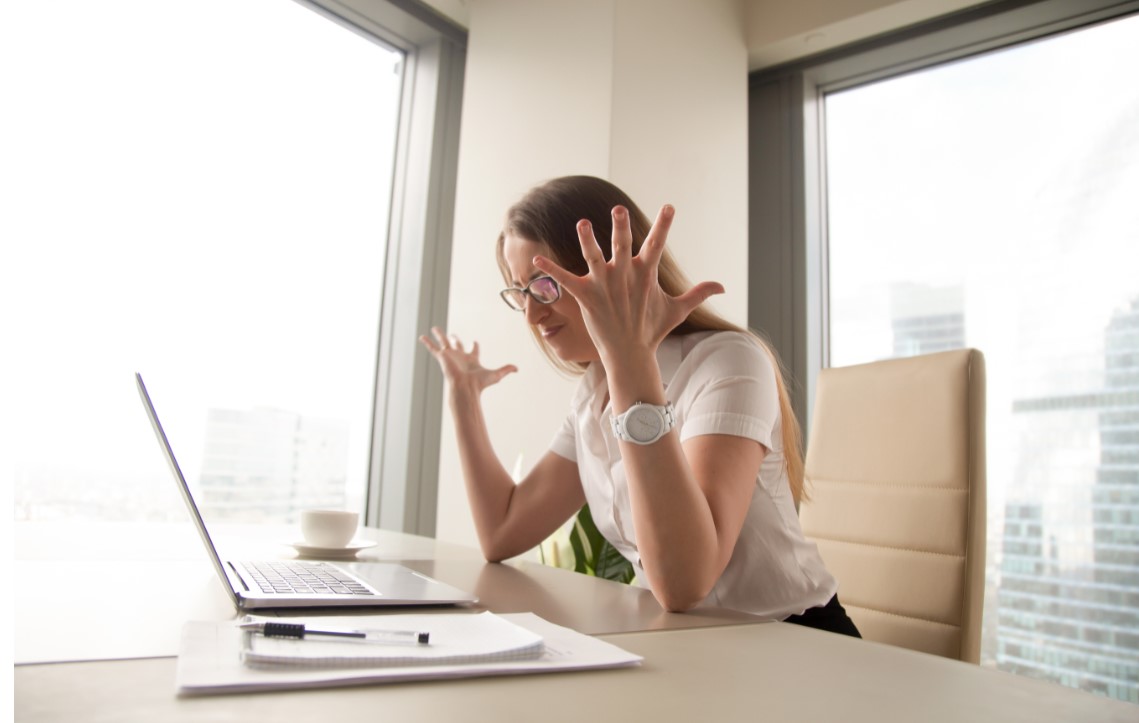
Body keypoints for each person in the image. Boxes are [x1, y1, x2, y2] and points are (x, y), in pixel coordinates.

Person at [419, 175, 860, 636]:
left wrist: (631, 358)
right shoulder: (594, 393)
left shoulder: (727, 361)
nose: (532, 313)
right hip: (688, 646)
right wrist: (464, 399)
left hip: (794, 641)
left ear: (614, 269)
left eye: (546, 283)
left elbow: (685, 583)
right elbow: (503, 531)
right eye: (521, 291)